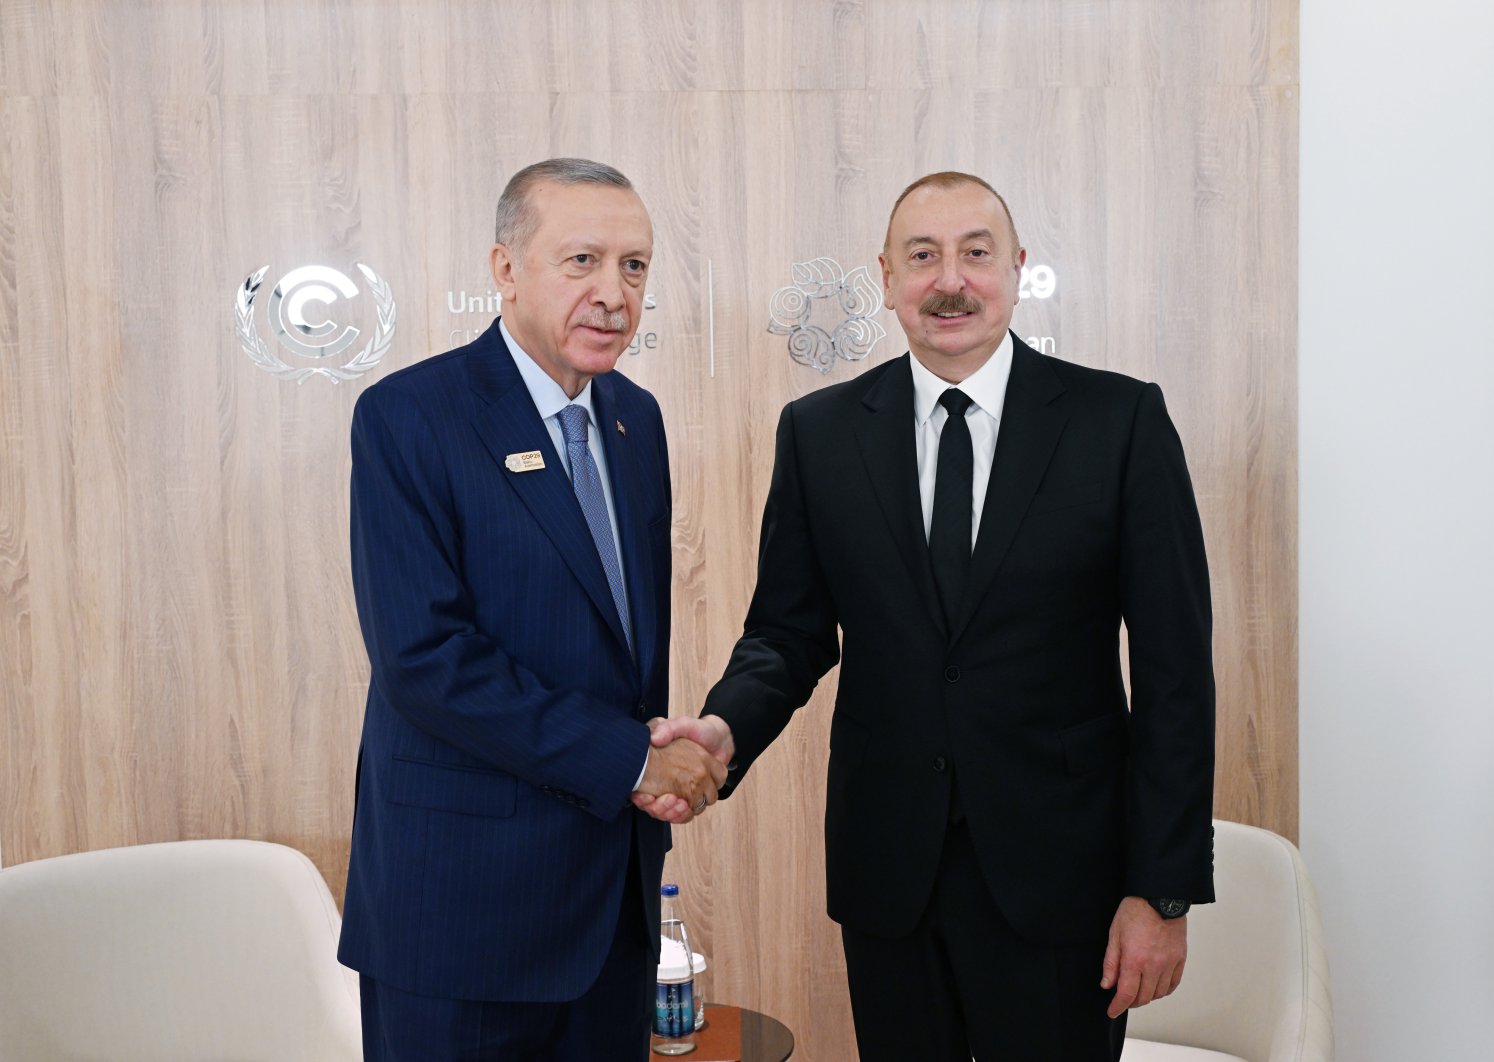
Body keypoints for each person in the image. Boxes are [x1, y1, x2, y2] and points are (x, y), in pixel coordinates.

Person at [643, 172, 1215, 1060]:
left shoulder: (1119, 421)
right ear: (887, 278)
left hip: (1063, 880)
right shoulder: (820, 433)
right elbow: (788, 635)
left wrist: (1162, 892)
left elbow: (1178, 674)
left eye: (976, 253)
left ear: (1017, 269)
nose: (951, 280)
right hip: (890, 874)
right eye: (923, 257)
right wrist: (724, 728)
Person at [339, 158, 725, 1061]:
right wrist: (631, 758)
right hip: (460, 919)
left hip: (609, 912)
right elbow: (425, 660)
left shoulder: (636, 420)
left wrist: (661, 750)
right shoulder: (410, 416)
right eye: (581, 260)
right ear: (506, 269)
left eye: (634, 266)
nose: (613, 293)